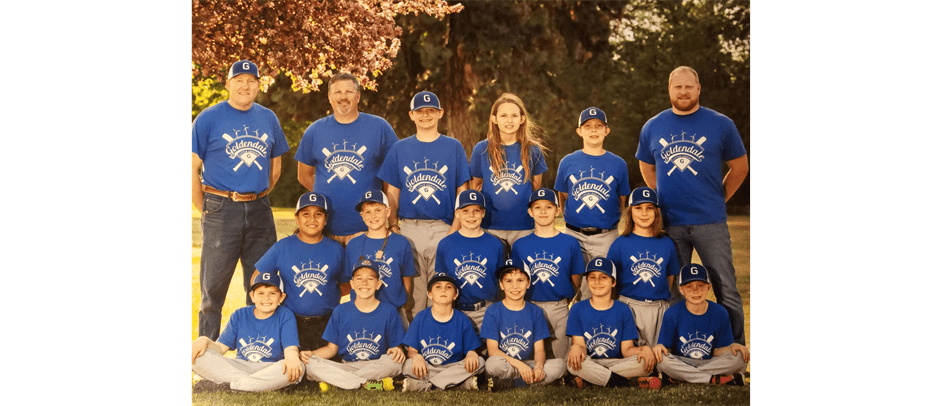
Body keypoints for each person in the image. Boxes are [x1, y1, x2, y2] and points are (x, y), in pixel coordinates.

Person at [635, 66, 749, 344]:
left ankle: (734, 353)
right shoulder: (653, 126)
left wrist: (719, 198)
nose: (683, 92)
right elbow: (646, 166)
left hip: (710, 221)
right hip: (670, 223)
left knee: (726, 288)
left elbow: (740, 167)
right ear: (669, 90)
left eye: (689, 86)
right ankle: (678, 350)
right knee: (674, 289)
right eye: (678, 87)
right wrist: (661, 195)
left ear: (698, 89)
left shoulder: (721, 124)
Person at [192, 60, 290, 340]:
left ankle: (255, 352)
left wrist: (256, 195)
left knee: (263, 284)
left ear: (259, 85)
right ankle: (207, 358)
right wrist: (208, 207)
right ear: (228, 83)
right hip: (221, 206)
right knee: (213, 290)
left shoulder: (268, 117)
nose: (245, 86)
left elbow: (276, 167)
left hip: (259, 208)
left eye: (251, 80)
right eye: (239, 80)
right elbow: (191, 169)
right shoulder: (209, 118)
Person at [378, 90, 471, 320]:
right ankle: (414, 348)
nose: (426, 115)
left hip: (444, 226)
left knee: (443, 291)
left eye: (431, 111)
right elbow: (391, 193)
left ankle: (442, 346)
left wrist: (454, 229)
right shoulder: (400, 148)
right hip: (410, 227)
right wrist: (394, 226)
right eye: (420, 111)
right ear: (411, 115)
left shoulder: (453, 147)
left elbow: (463, 192)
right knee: (414, 294)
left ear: (440, 113)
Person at [295, 73, 399, 246]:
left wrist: (391, 221)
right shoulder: (315, 130)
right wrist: (330, 193)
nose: (343, 97)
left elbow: (393, 179)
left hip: (368, 228)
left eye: (349, 92)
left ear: (358, 96)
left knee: (365, 274)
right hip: (325, 229)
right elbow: (303, 175)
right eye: (337, 92)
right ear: (329, 97)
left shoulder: (379, 128)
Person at [554, 107, 631, 302]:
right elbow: (563, 196)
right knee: (568, 285)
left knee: (602, 287)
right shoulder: (568, 162)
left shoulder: (618, 163)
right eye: (588, 126)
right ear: (579, 131)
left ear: (607, 130)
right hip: (573, 234)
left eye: (599, 126)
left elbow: (622, 201)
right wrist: (572, 222)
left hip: (605, 235)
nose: (594, 130)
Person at [254, 192, 345, 355]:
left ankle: (372, 383)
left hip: (328, 321)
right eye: (306, 214)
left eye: (318, 214)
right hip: (290, 321)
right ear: (297, 219)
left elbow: (346, 284)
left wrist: (326, 296)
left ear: (325, 220)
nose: (312, 219)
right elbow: (256, 278)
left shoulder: (336, 249)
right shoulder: (282, 247)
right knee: (296, 373)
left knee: (334, 373)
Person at [301, 260, 406, 391]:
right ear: (352, 284)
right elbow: (331, 349)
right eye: (359, 279)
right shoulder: (340, 310)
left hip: (376, 365)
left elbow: (396, 349)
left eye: (370, 279)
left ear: (378, 284)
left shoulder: (389, 311)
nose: (364, 283)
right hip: (347, 365)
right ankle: (370, 385)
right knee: (309, 364)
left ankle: (341, 383)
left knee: (394, 363)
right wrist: (311, 354)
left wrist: (398, 350)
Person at [191, 273, 304, 392]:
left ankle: (230, 386)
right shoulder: (240, 315)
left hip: (270, 368)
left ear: (281, 297)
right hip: (241, 367)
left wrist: (292, 358)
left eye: (272, 293)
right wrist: (204, 340)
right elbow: (220, 348)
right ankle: (261, 386)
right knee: (198, 357)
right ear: (252, 296)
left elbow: (290, 349)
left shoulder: (285, 315)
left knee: (299, 366)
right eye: (260, 293)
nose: (266, 298)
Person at [510, 188, 585, 359]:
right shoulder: (520, 245)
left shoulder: (570, 242)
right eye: (537, 207)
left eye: (549, 207)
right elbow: (514, 279)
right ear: (530, 212)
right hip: (528, 306)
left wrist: (563, 298)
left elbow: (576, 279)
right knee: (527, 355)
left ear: (558, 211)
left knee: (561, 359)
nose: (543, 211)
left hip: (559, 307)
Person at [566, 257, 660, 390]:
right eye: (592, 277)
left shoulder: (623, 309)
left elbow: (626, 350)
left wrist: (643, 349)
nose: (597, 282)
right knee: (572, 364)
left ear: (613, 282)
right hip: (591, 361)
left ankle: (592, 380)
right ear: (587, 281)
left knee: (644, 362)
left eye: (603, 277)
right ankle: (625, 382)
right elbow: (580, 346)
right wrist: (576, 348)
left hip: (618, 362)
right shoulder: (577, 308)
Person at [469, 93, 549, 247]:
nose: (509, 120)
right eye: (503, 115)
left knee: (520, 271)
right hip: (490, 225)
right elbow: (476, 186)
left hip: (524, 226)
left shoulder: (533, 150)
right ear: (494, 119)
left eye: (514, 115)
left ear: (522, 119)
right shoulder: (481, 149)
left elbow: (535, 187)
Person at [607, 187, 679, 347]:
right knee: (634, 358)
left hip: (658, 308)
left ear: (657, 212)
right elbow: (612, 283)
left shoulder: (667, 243)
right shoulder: (620, 244)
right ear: (630, 212)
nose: (644, 213)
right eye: (638, 208)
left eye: (649, 208)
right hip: (628, 306)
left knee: (661, 358)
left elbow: (669, 279)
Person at [653, 264, 749, 385]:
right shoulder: (672, 313)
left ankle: (681, 377)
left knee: (740, 357)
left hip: (709, 361)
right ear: (681, 289)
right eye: (689, 286)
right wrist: (660, 347)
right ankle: (713, 379)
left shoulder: (720, 312)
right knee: (662, 360)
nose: (695, 291)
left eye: (701, 285)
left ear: (708, 287)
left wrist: (731, 347)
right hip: (683, 361)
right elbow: (668, 350)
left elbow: (716, 351)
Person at [481, 259, 566, 390]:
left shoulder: (536, 312)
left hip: (528, 363)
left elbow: (539, 349)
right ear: (501, 285)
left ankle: (510, 384)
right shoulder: (493, 311)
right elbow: (493, 351)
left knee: (560, 365)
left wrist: (538, 367)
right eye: (509, 281)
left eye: (520, 280)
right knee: (492, 364)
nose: (515, 286)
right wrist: (520, 366)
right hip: (506, 363)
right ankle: (531, 382)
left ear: (528, 283)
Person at [343, 190, 416, 329]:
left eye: (378, 210)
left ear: (388, 211)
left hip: (394, 308)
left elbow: (407, 275)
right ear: (362, 215)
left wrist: (406, 299)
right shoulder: (354, 244)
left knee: (397, 348)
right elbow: (349, 278)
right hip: (362, 310)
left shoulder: (401, 242)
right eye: (368, 212)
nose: (373, 216)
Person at [435, 189, 505, 331]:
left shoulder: (495, 244)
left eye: (476, 211)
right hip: (455, 312)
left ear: (483, 213)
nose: (471, 216)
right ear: (457, 213)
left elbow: (502, 283)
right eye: (465, 211)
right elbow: (441, 281)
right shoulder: (445, 244)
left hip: (488, 311)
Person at [401, 274, 484, 391]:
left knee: (480, 362)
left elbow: (471, 350)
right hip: (428, 367)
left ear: (455, 295)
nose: (443, 290)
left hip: (453, 367)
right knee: (408, 365)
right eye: (438, 287)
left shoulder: (462, 319)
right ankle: (455, 384)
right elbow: (411, 352)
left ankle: (428, 385)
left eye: (449, 287)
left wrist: (471, 354)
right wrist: (416, 357)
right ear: (429, 294)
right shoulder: (421, 318)